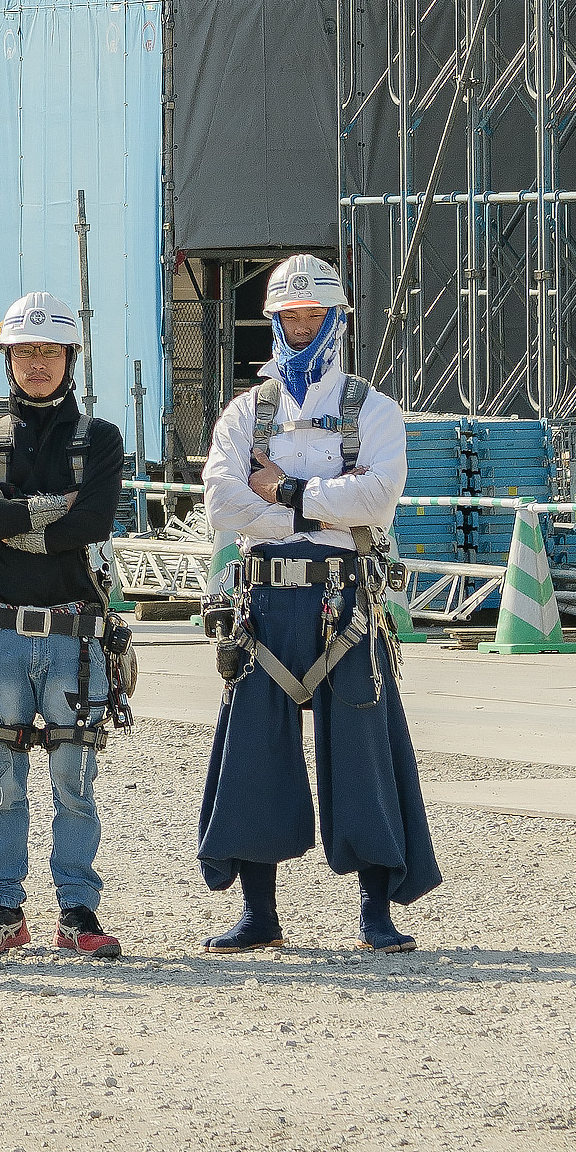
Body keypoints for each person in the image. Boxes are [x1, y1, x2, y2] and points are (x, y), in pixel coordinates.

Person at [198, 251, 441, 955]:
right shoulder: (244, 411)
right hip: (264, 605)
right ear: (272, 321)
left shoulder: (375, 410)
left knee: (362, 753)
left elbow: (378, 499)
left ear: (336, 321)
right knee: (252, 753)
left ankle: (375, 911)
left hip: (347, 605)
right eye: (288, 317)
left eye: (313, 316)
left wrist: (280, 492)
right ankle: (257, 913)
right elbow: (222, 505)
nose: (300, 329)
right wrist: (321, 511)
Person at [0, 292, 129, 964]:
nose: (36, 364)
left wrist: (15, 515)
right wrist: (54, 509)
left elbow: (94, 526)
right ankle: (3, 911)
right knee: (2, 786)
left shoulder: (99, 440)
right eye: (24, 351)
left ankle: (77, 913)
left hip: (74, 637)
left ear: (69, 358)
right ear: (6, 358)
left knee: (73, 786)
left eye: (48, 352)